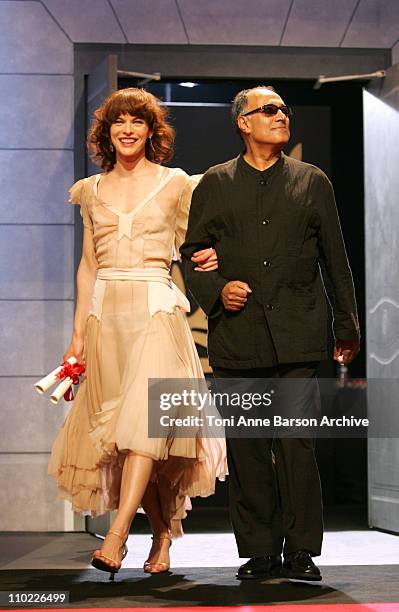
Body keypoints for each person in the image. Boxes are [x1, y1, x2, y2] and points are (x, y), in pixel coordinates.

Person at [180, 85, 360, 582]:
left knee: (297, 443)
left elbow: (336, 259)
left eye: (284, 110)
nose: (281, 116)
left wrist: (348, 325)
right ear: (244, 122)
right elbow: (191, 254)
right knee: (249, 445)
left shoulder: (312, 181)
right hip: (239, 337)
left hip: (299, 333)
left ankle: (301, 551)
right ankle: (259, 550)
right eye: (269, 110)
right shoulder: (215, 183)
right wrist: (217, 290)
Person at [48, 87, 226, 579]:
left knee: (147, 425)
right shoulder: (89, 190)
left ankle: (118, 533)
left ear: (152, 131)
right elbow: (87, 265)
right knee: (126, 442)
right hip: (108, 318)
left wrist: (210, 259)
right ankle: (164, 533)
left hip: (157, 312)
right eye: (117, 121)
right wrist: (78, 333)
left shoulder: (176, 184)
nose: (127, 129)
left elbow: (199, 245)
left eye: (137, 121)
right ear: (106, 132)